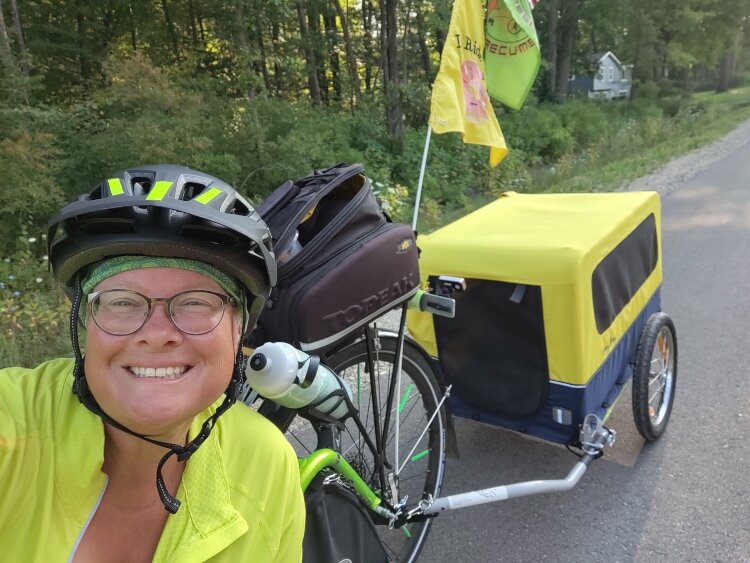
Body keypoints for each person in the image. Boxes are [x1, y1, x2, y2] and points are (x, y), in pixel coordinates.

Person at [0, 165, 305, 562]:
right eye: (122, 302)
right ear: (86, 323)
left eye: (196, 301)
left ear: (239, 330)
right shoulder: (13, 421)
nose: (157, 332)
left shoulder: (265, 463)